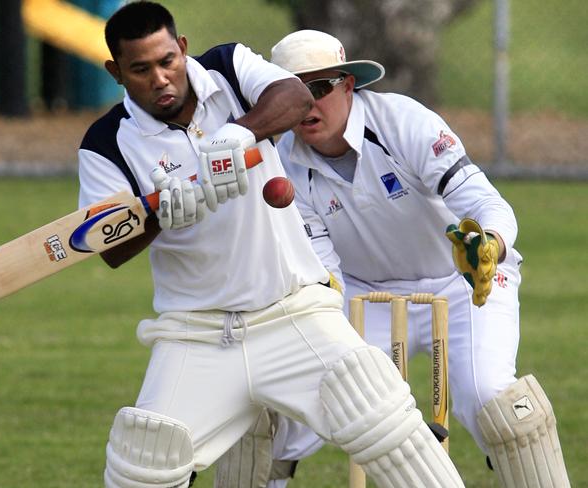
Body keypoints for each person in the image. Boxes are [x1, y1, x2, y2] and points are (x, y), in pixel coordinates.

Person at [77, 4, 465, 488]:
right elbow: (109, 246)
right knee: (145, 463)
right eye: (140, 69)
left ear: (182, 49)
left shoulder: (227, 67)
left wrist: (238, 134)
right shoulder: (106, 143)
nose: (160, 79)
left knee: (383, 419)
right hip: (196, 334)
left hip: (293, 313)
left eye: (166, 62)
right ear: (116, 72)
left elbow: (295, 95)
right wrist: (157, 214)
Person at [234, 29, 569, 488]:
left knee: (496, 404)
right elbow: (322, 267)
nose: (307, 105)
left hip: (463, 282)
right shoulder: (283, 165)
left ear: (348, 84)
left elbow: (487, 204)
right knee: (284, 411)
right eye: (292, 93)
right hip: (360, 292)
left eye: (320, 88)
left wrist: (488, 245)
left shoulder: (403, 122)